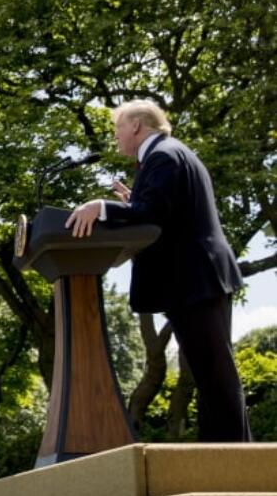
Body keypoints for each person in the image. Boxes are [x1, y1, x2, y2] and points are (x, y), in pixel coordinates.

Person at [66, 99, 251, 441]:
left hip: (196, 279)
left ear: (136, 125)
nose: (116, 136)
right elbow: (164, 210)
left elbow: (151, 212)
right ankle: (222, 460)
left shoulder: (163, 156)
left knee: (215, 375)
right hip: (197, 279)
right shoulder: (168, 154)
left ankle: (239, 464)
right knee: (208, 374)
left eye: (118, 128)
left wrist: (101, 207)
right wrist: (132, 204)